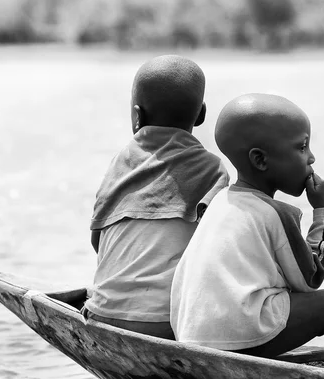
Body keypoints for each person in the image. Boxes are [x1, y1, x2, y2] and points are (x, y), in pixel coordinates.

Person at [170, 93, 324, 373]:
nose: (311, 157)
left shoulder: (217, 200)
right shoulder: (275, 213)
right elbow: (311, 278)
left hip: (190, 334)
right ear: (260, 160)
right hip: (240, 337)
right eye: (302, 147)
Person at [82, 54, 230, 340]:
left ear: (137, 115)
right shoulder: (211, 167)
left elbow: (96, 241)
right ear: (201, 114)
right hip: (170, 323)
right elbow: (213, 252)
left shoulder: (120, 163)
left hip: (101, 313)